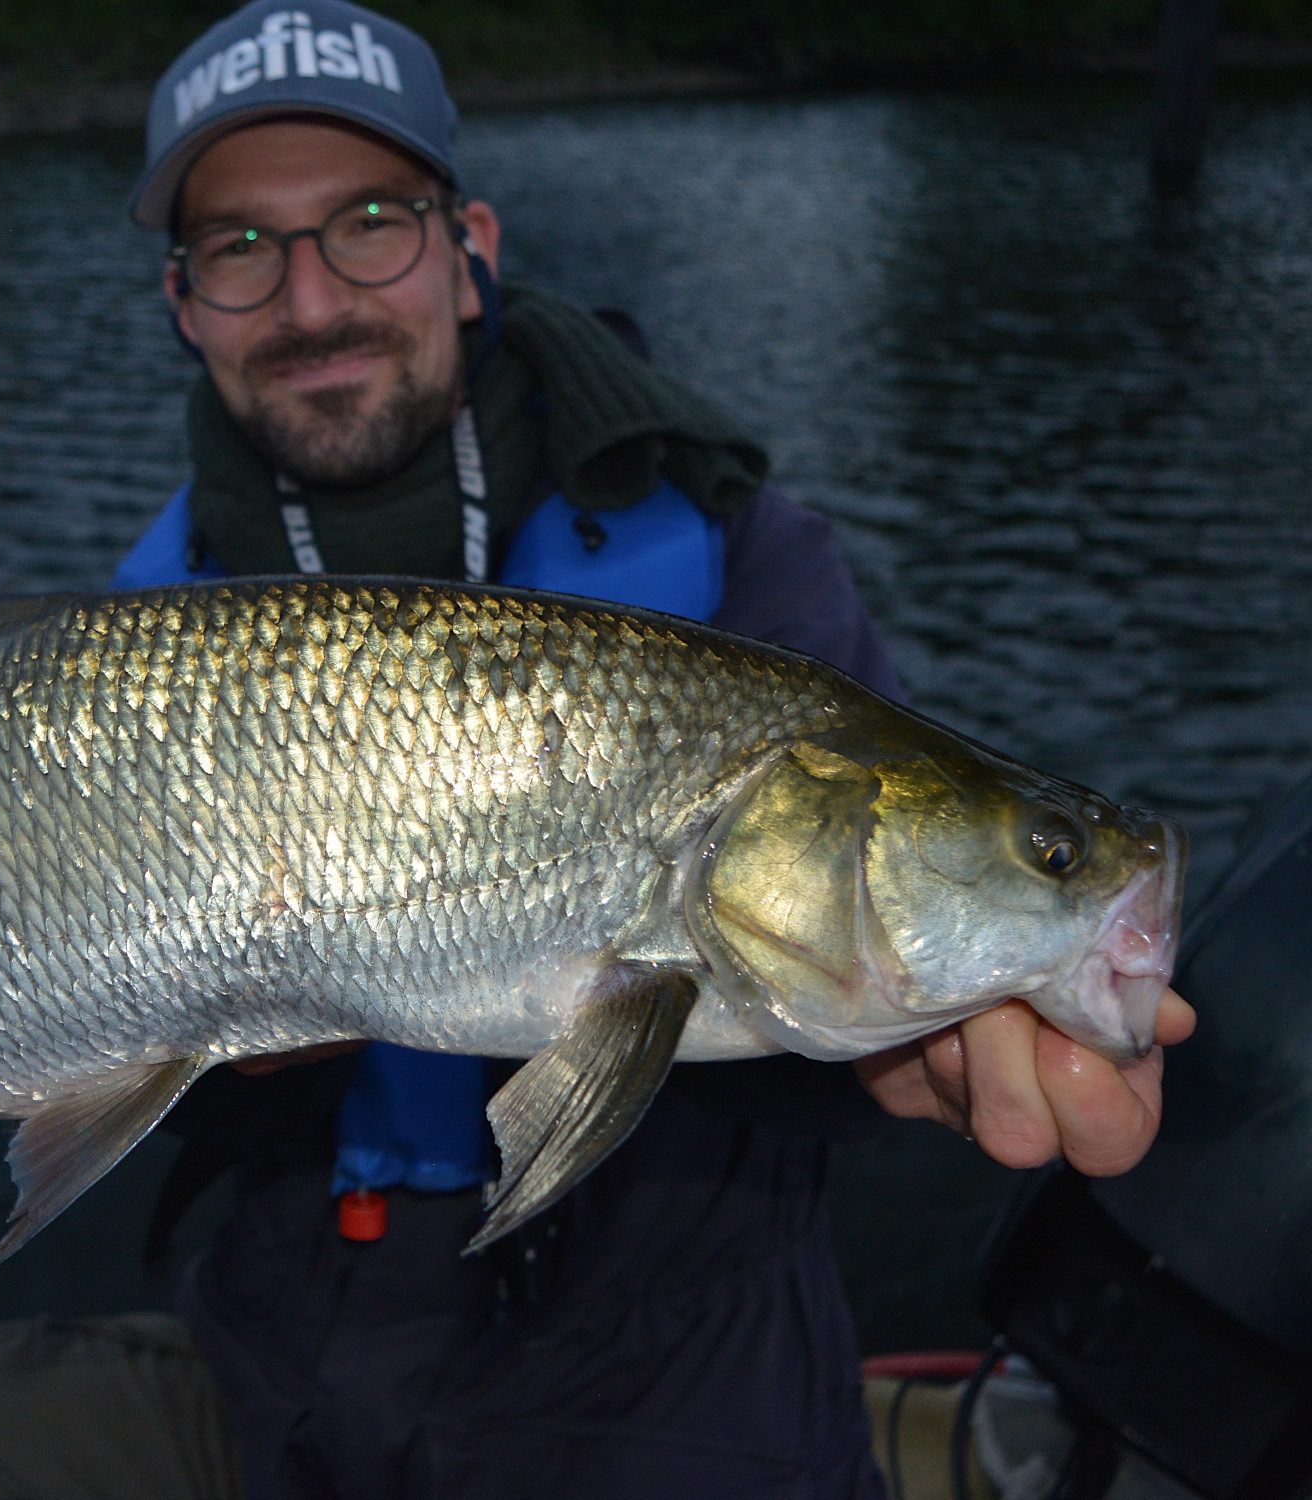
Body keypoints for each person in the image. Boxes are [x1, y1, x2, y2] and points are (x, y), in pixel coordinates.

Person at [108, 5, 1195, 1498]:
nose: (311, 298)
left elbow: (804, 959)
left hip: (690, 1368)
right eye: (239, 247)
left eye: (370, 222)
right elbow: (142, 1089)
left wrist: (896, 1060)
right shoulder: (109, 664)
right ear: (182, 300)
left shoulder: (744, 558)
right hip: (299, 1348)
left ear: (467, 239)